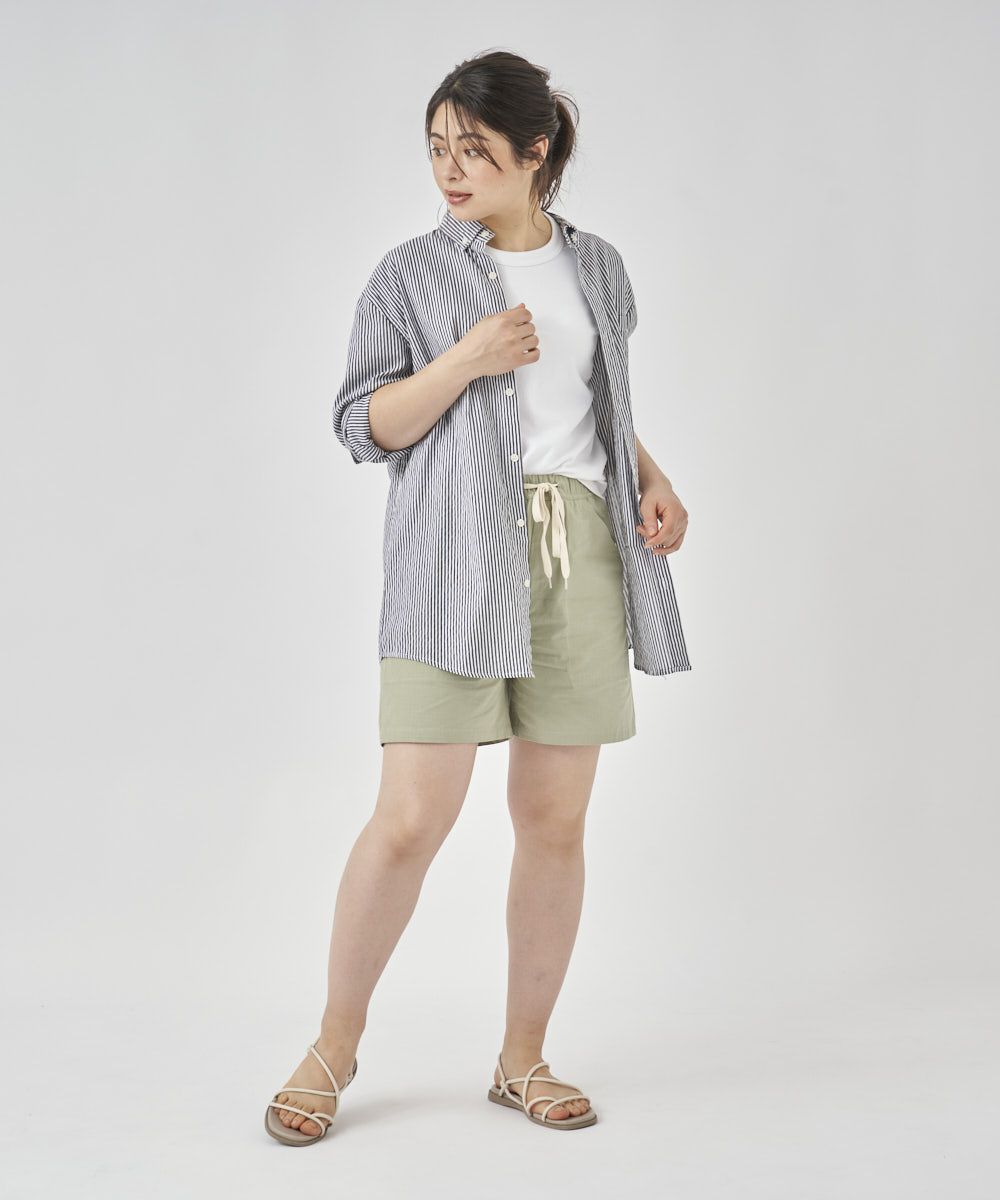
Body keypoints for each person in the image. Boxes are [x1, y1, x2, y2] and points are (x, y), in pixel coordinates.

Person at [264, 49, 691, 1145]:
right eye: (437, 149)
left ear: (534, 153)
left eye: (473, 149)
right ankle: (333, 1046)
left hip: (579, 554)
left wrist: (651, 478)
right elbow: (364, 426)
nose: (449, 169)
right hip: (452, 558)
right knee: (412, 819)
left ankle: (521, 1059)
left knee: (554, 820)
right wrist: (464, 360)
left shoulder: (598, 268)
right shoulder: (409, 274)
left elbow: (597, 406)